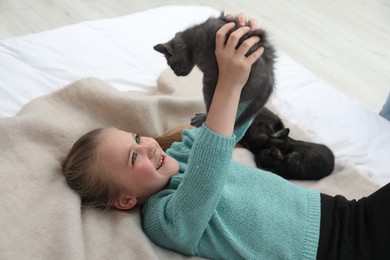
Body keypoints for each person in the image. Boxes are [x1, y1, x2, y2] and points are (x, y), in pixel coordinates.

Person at [62, 14, 390, 260]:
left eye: (136, 138)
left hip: (346, 213)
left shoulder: (183, 152)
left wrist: (242, 61)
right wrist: (228, 86)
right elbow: (207, 176)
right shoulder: (164, 220)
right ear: (125, 200)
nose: (147, 146)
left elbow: (235, 121)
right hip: (335, 252)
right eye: (133, 158)